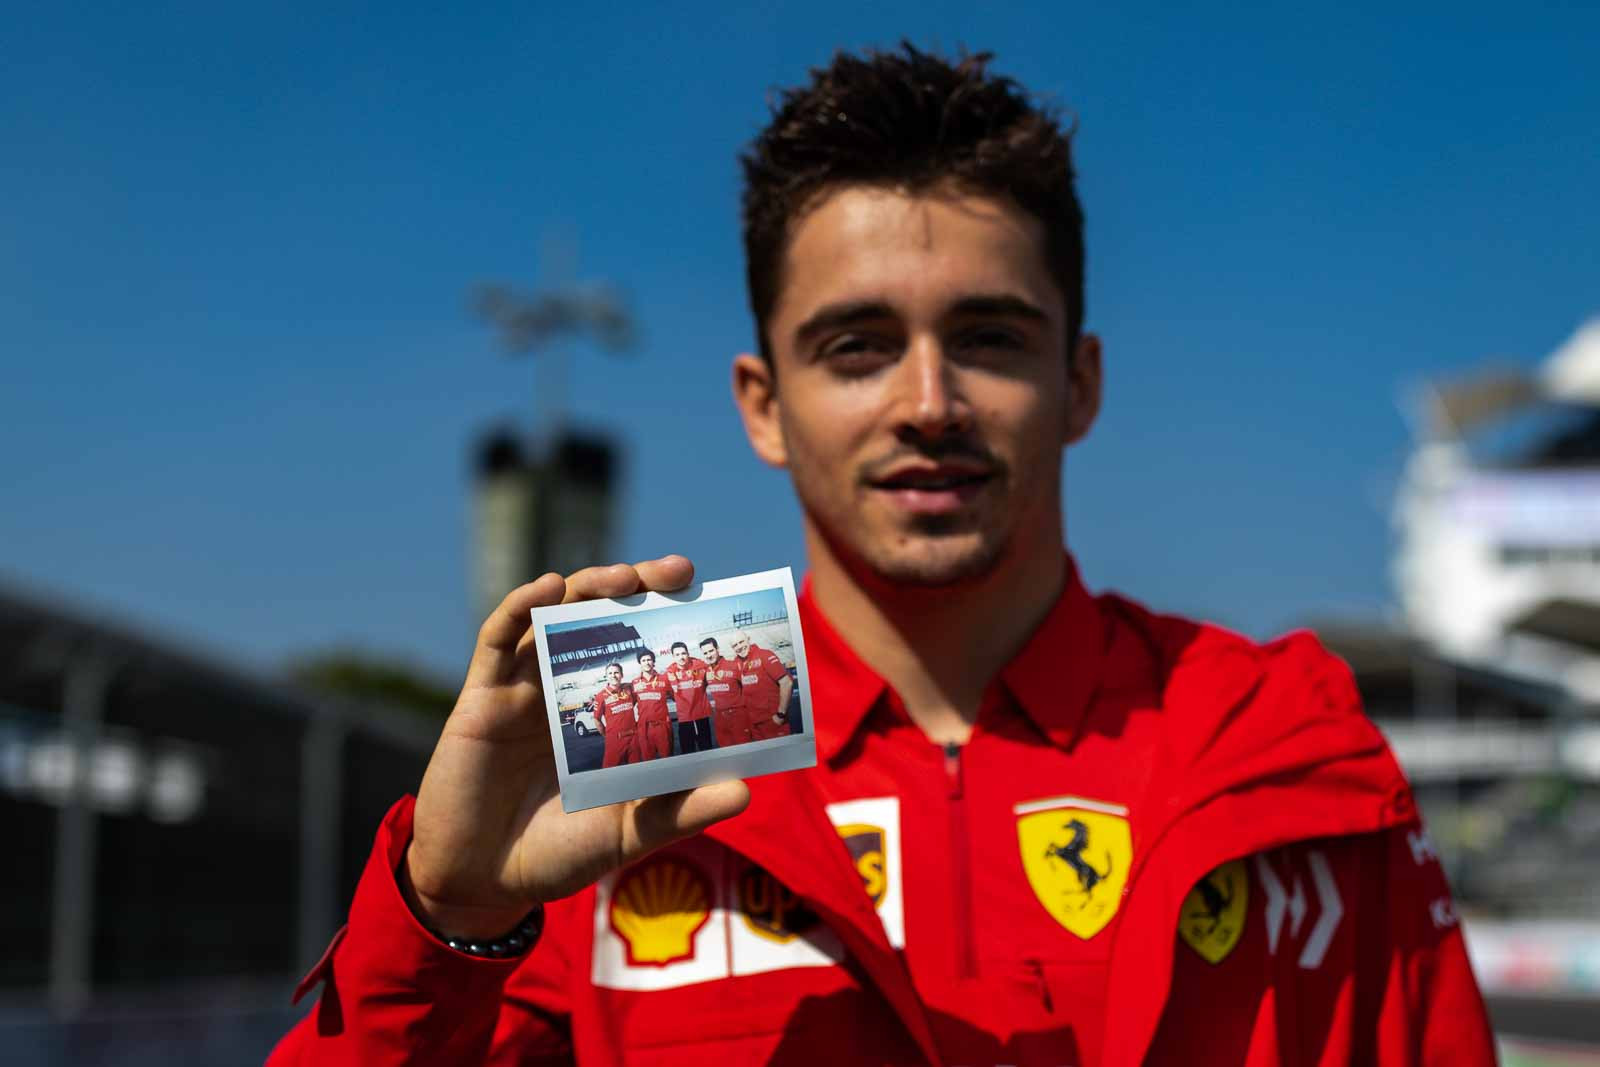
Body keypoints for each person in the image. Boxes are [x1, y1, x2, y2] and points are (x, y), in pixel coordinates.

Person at [271, 44, 1495, 1067]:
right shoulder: (635, 727)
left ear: (1079, 381)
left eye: (989, 338)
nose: (928, 401)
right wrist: (446, 917)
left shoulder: (1273, 733)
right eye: (856, 346)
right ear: (762, 403)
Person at [730, 628, 794, 741]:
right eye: (735, 645)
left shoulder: (764, 655)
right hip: (753, 723)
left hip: (772, 720)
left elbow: (786, 683)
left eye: (741, 642)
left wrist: (781, 714)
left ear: (748, 640)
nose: (739, 647)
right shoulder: (736, 663)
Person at [699, 636, 752, 748]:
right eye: (705, 653)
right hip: (719, 718)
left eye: (711, 651)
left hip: (738, 716)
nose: (709, 655)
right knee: (726, 752)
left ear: (717, 649)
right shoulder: (705, 671)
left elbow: (749, 689)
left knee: (744, 751)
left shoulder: (733, 665)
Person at [663, 640, 714, 754]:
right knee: (688, 753)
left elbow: (707, 681)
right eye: (677, 655)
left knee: (707, 751)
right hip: (684, 719)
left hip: (702, 716)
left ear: (688, 653)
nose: (681, 657)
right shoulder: (669, 673)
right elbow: (669, 693)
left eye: (683, 653)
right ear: (673, 656)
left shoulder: (700, 665)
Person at [590, 662, 639, 769]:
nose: (613, 676)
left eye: (616, 672)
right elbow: (597, 719)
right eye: (610, 673)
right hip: (615, 739)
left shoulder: (629, 689)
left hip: (633, 737)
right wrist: (607, 736)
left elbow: (634, 702)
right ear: (606, 676)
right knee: (610, 770)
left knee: (636, 770)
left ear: (622, 675)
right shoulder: (600, 696)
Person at [631, 650, 674, 760]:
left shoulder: (664, 679)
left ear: (653, 661)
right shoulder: (635, 683)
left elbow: (675, 696)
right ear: (640, 663)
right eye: (643, 660)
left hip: (662, 726)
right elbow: (629, 704)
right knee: (648, 760)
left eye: (649, 659)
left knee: (667, 759)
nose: (647, 663)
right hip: (644, 727)